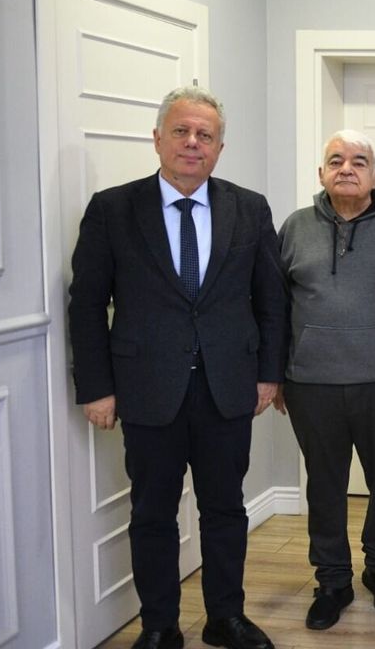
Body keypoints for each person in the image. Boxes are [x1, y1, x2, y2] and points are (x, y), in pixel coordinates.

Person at [68, 86, 288, 649]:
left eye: (205, 135)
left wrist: (269, 374)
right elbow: (87, 303)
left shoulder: (249, 208)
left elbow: (271, 299)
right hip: (146, 389)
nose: (193, 143)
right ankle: (160, 625)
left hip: (227, 387)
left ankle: (225, 618)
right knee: (152, 513)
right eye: (182, 131)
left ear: (219, 148)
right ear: (158, 138)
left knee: (225, 509)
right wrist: (95, 387)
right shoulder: (113, 209)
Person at [276, 130, 375, 630]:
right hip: (311, 383)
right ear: (321, 173)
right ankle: (332, 580)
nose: (346, 168)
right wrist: (276, 375)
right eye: (336, 160)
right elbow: (274, 307)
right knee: (324, 485)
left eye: (359, 161)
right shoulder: (295, 228)